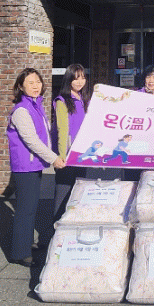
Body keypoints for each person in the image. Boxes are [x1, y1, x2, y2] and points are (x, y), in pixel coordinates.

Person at [6, 68, 65, 267]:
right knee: (25, 209)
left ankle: (25, 243)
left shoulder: (36, 106)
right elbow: (31, 140)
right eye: (30, 83)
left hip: (33, 165)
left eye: (38, 82)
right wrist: (54, 158)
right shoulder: (22, 110)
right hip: (25, 167)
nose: (35, 86)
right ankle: (20, 253)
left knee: (30, 207)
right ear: (21, 87)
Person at [52, 63, 92, 222]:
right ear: (68, 80)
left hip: (81, 153)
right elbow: (62, 130)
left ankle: (71, 227)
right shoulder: (62, 101)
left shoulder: (84, 99)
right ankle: (55, 229)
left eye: (82, 77)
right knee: (63, 193)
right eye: (76, 78)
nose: (80, 82)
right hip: (68, 154)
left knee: (78, 192)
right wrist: (62, 156)